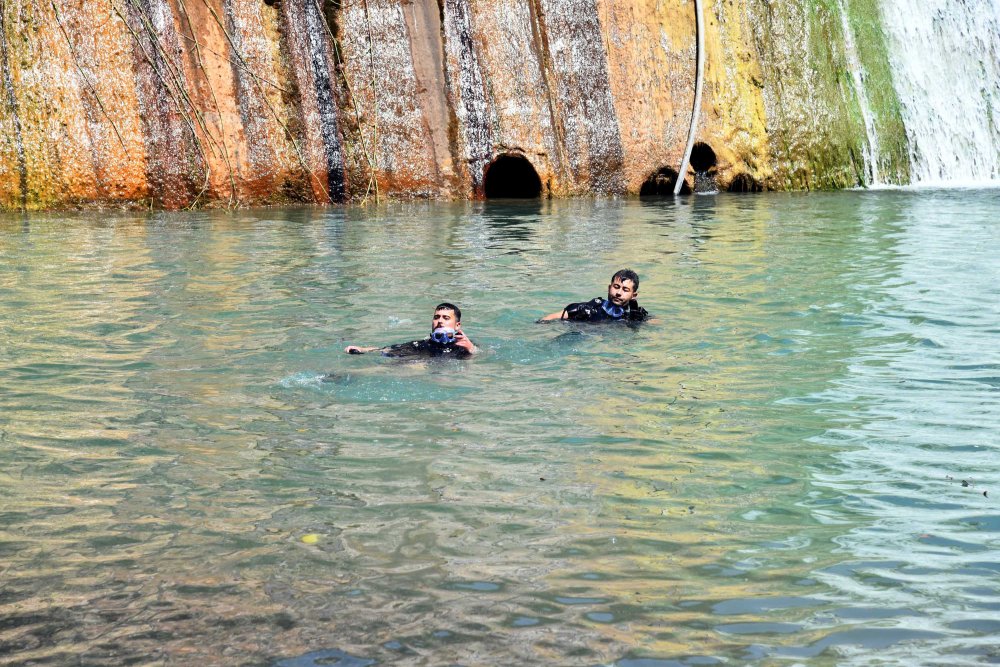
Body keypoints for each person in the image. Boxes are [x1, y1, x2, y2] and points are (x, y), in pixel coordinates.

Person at [344, 303, 478, 358]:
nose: (440, 321)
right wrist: (362, 349)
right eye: (436, 317)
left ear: (457, 325)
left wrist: (472, 349)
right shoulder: (423, 344)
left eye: (446, 318)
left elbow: (481, 360)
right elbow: (388, 349)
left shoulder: (465, 346)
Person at [540, 268, 649, 322]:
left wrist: (638, 323)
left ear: (633, 295)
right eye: (616, 287)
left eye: (625, 290)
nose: (618, 293)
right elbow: (550, 318)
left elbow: (658, 325)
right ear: (609, 288)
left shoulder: (634, 316)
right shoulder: (592, 308)